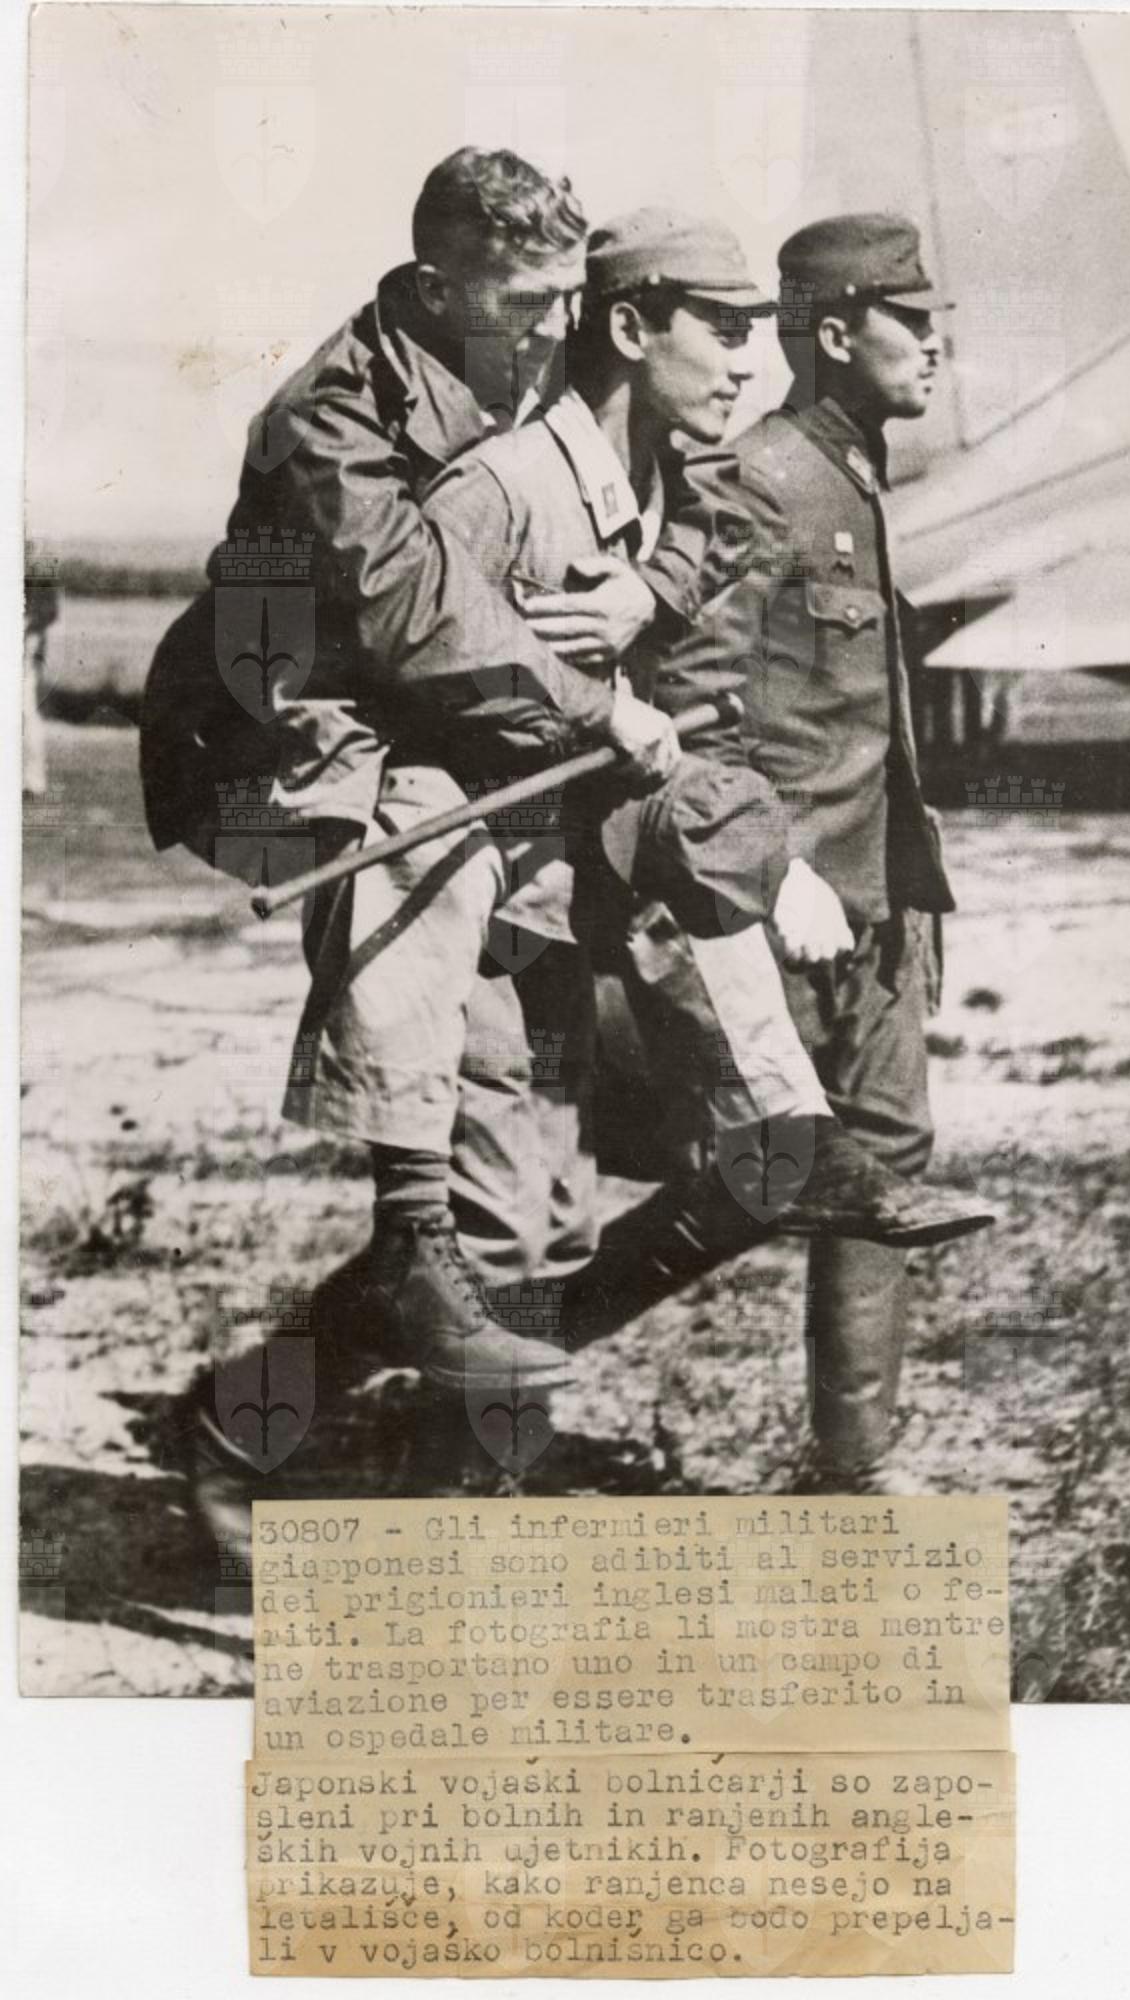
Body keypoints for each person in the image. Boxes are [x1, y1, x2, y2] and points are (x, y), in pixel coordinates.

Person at [140, 149, 712, 1410]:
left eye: (566, 299)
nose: (555, 329)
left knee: (537, 1159)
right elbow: (415, 618)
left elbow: (687, 452)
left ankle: (267, 1412)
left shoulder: (521, 345)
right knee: (422, 837)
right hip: (276, 723)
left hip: (459, 723)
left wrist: (650, 589)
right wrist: (597, 706)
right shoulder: (325, 420)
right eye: (527, 302)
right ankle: (405, 1242)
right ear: (437, 286)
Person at [559, 213, 990, 1493]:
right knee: (749, 1179)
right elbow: (693, 715)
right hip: (772, 904)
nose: (935, 345)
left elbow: (863, 716)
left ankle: (850, 1471)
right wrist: (772, 873)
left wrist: (906, 889)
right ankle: (508, 1351)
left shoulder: (853, 471)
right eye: (912, 321)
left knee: (887, 1158)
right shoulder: (753, 477)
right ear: (836, 334)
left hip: (873, 905)